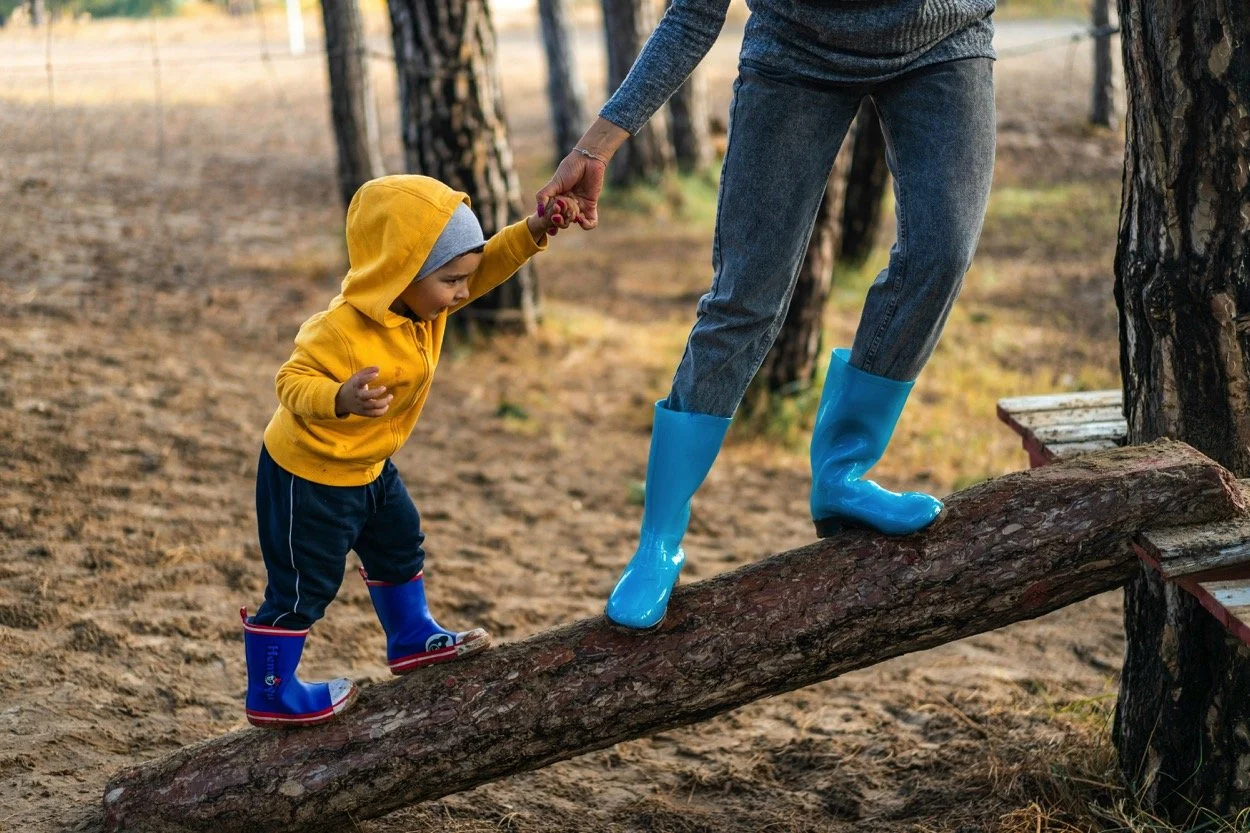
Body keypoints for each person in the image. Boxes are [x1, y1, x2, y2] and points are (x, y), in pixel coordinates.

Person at [537, 0, 997, 629]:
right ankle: (658, 544)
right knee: (744, 299)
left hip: (946, 39)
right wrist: (599, 144)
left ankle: (842, 474)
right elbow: (694, 13)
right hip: (796, 51)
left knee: (941, 255)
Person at [241, 175, 581, 727]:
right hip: (311, 475)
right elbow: (289, 381)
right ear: (401, 272)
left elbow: (486, 266)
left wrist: (534, 230)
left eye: (462, 279)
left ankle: (410, 637)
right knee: (306, 584)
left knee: (400, 541)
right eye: (451, 281)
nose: (463, 293)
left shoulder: (426, 304)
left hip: (371, 467)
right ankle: (272, 691)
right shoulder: (341, 330)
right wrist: (339, 397)